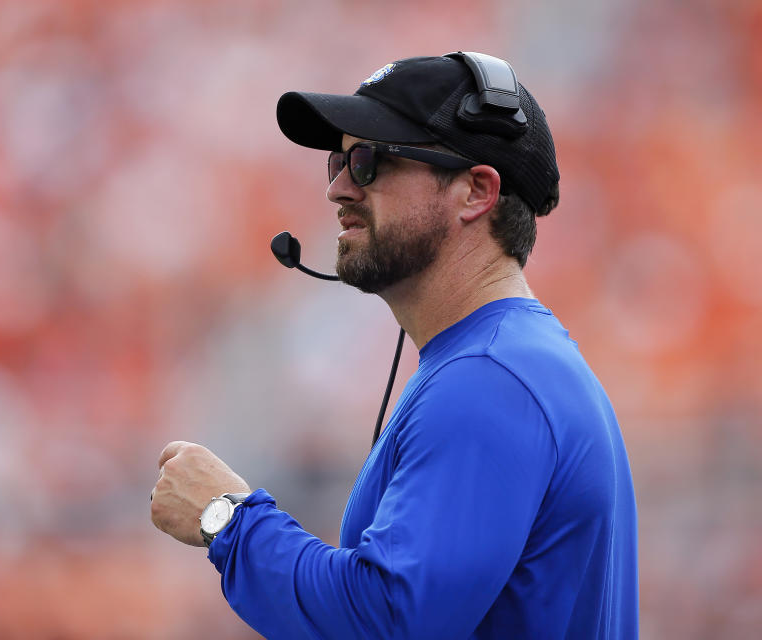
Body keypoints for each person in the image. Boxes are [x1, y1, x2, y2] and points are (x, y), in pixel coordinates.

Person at [150, 52, 639, 639]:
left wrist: (225, 518)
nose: (337, 188)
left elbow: (388, 621)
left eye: (367, 162)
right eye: (337, 161)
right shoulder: (500, 362)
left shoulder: (489, 380)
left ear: (475, 192)